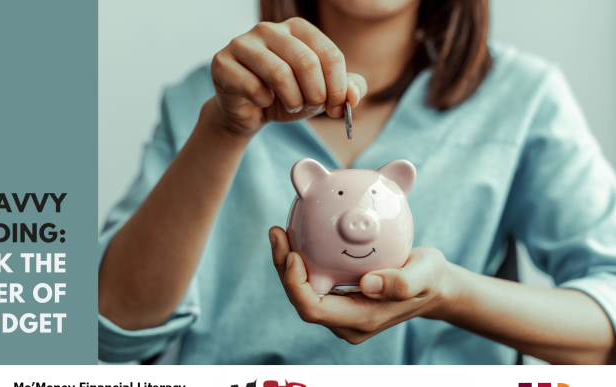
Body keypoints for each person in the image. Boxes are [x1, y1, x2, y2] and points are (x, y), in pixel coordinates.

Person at [97, 0, 616, 364]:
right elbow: (113, 327)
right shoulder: (206, 103)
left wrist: (451, 294)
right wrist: (223, 131)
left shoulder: (524, 98)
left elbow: (606, 321)